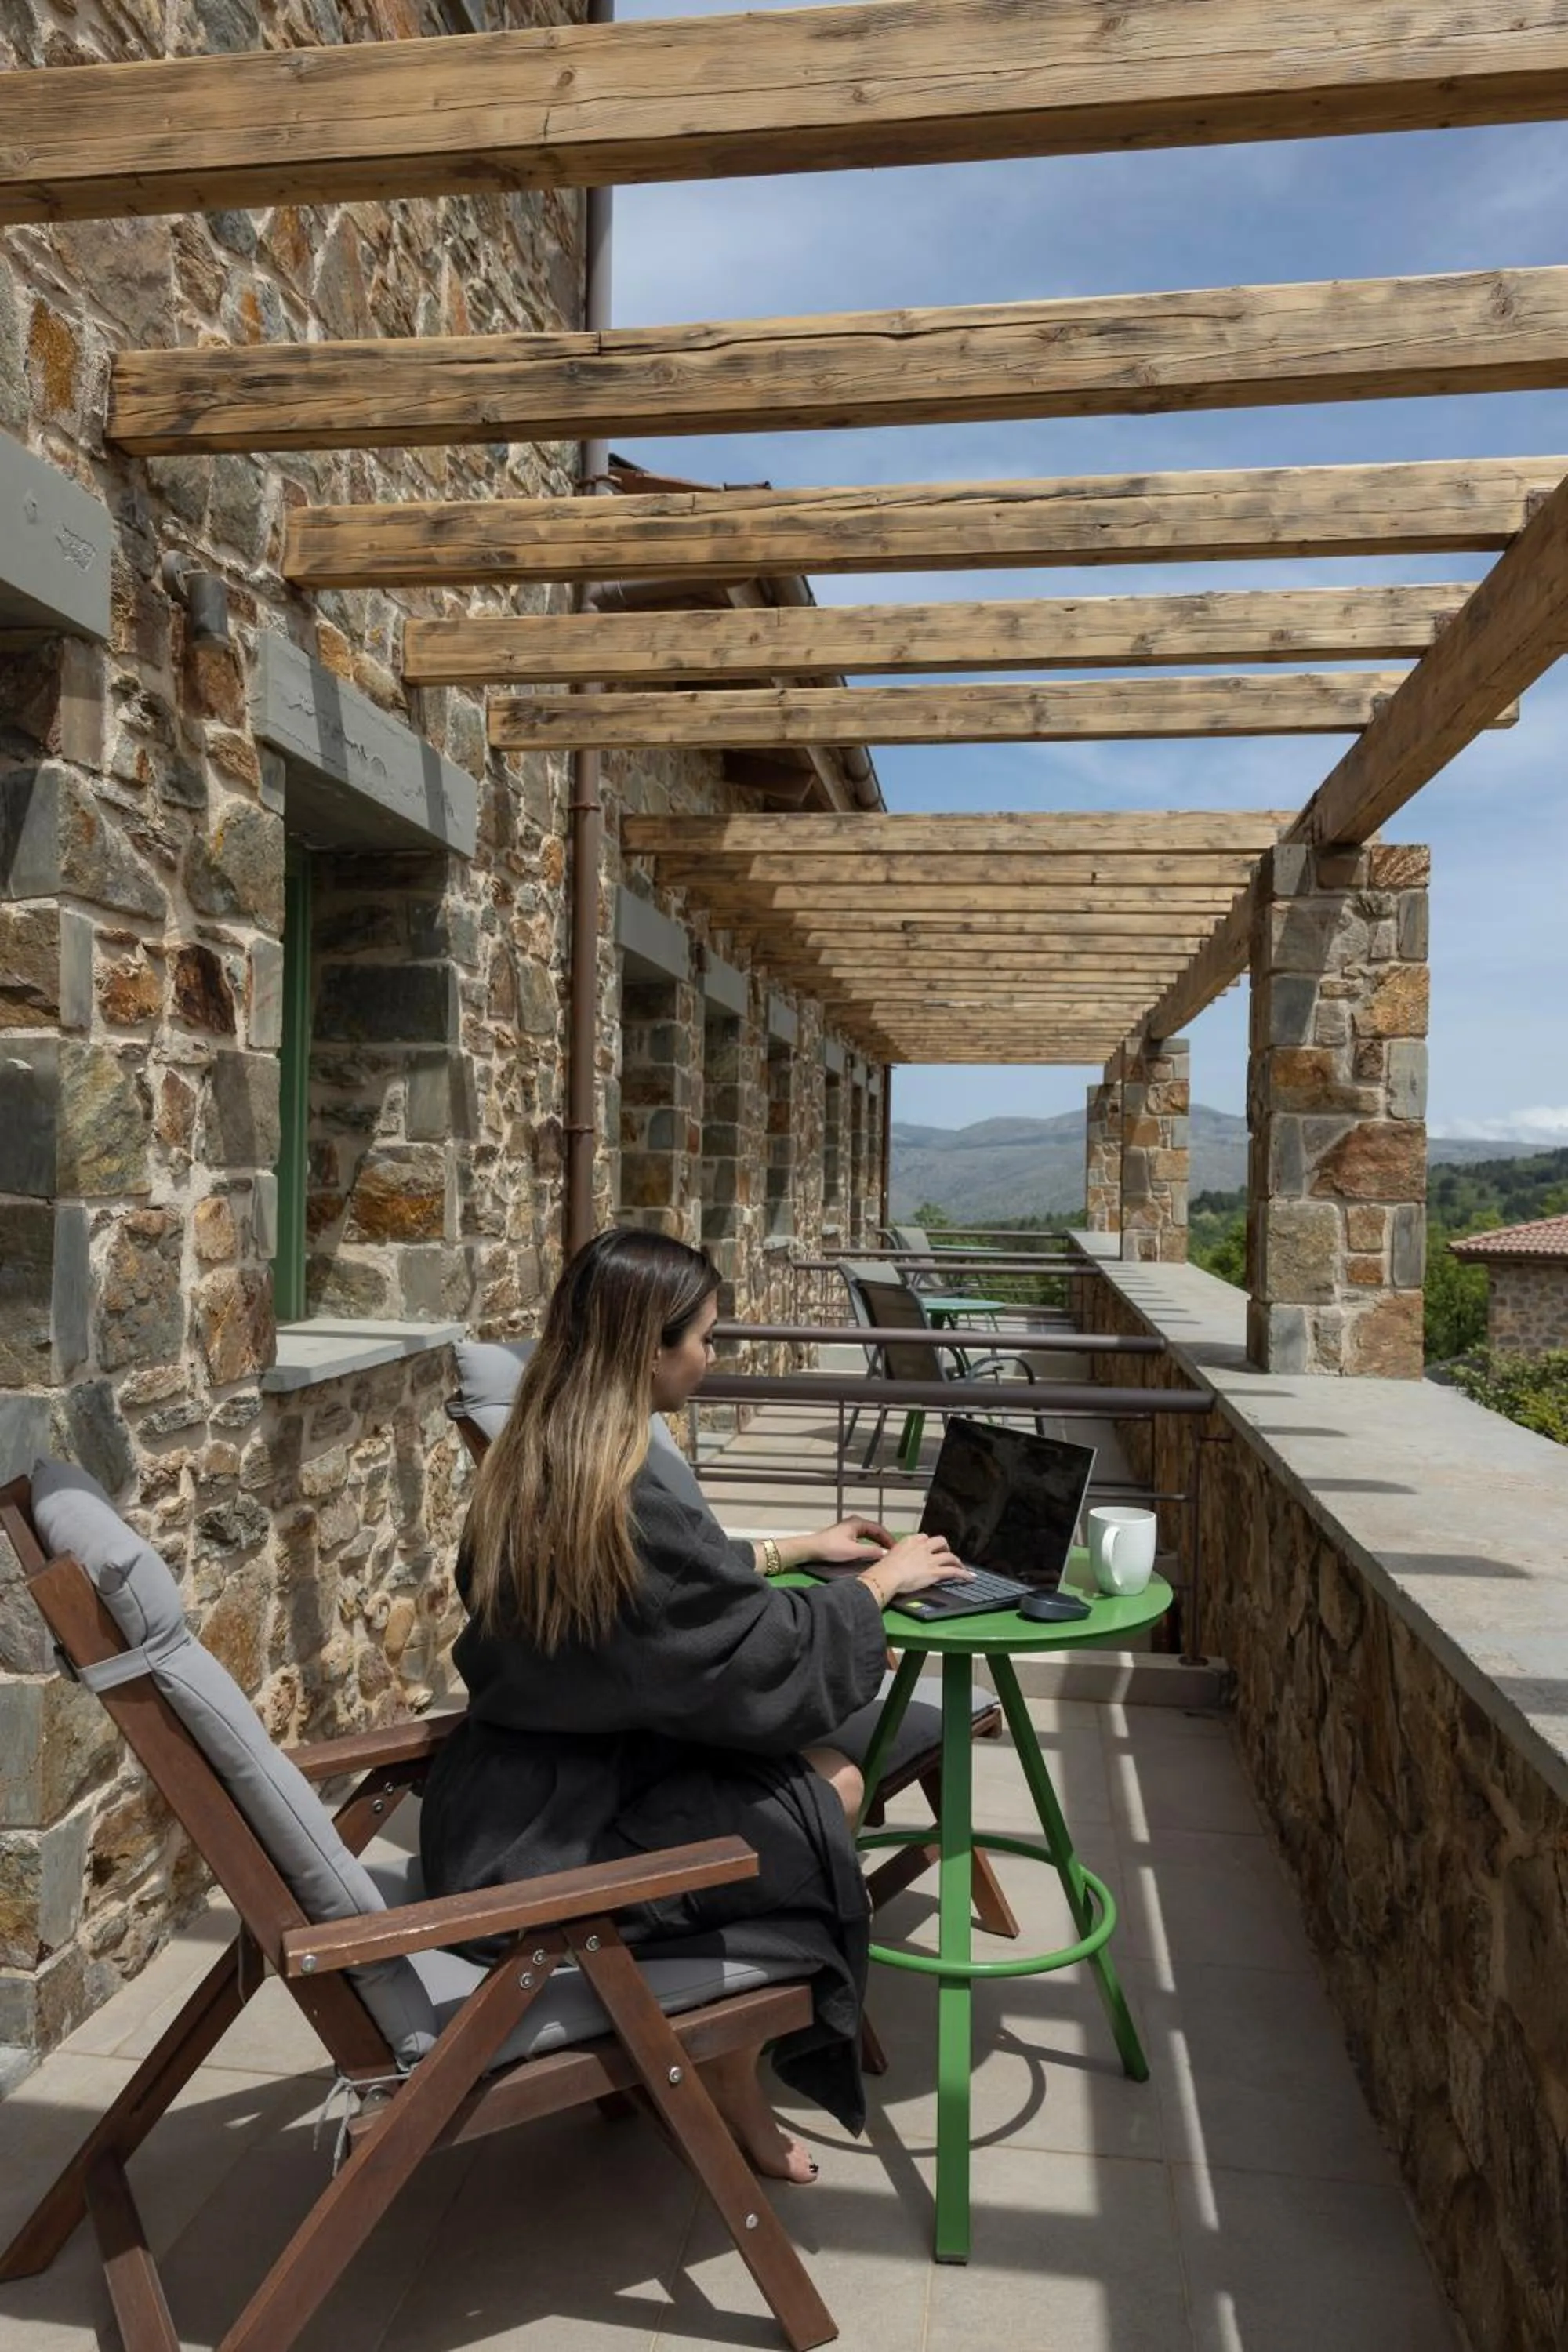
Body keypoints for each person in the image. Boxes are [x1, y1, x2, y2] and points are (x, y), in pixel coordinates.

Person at [420, 1227, 968, 2183]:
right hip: (547, 1854)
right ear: (647, 1348)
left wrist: (798, 1549)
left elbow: (665, 1605)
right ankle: (724, 2065)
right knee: (823, 1797)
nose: (712, 1358)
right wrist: (879, 1586)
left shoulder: (536, 1466)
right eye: (704, 1339)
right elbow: (762, 1661)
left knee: (806, 1790)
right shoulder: (624, 1505)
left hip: (494, 1809)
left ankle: (716, 2050)